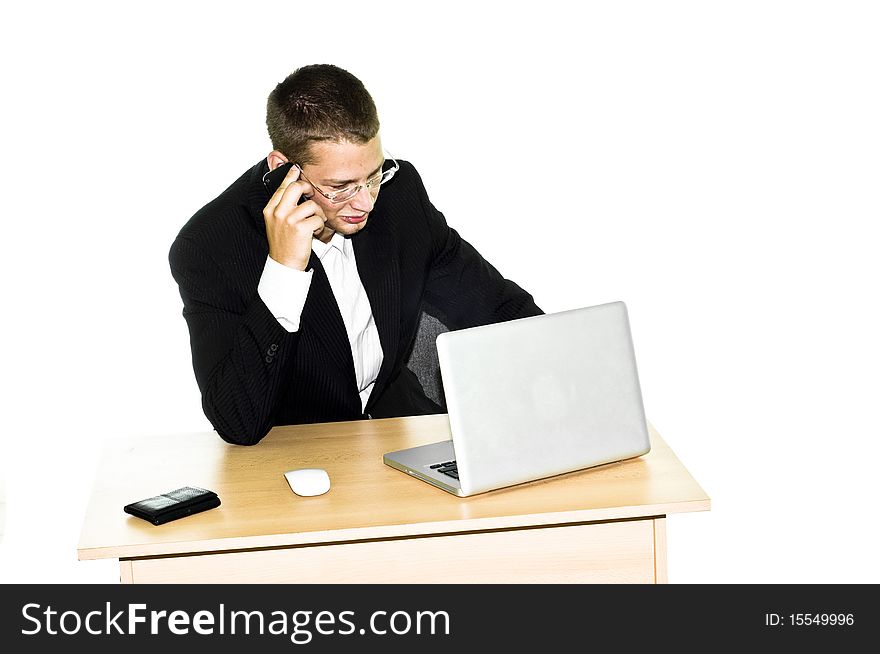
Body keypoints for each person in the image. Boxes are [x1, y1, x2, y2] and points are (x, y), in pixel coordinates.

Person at [169, 64, 542, 445]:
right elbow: (237, 421)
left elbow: (492, 304)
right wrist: (284, 269)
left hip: (396, 431)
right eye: (340, 186)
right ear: (284, 169)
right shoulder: (211, 246)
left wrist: (566, 361)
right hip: (296, 453)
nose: (364, 202)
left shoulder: (399, 193)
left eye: (374, 175)